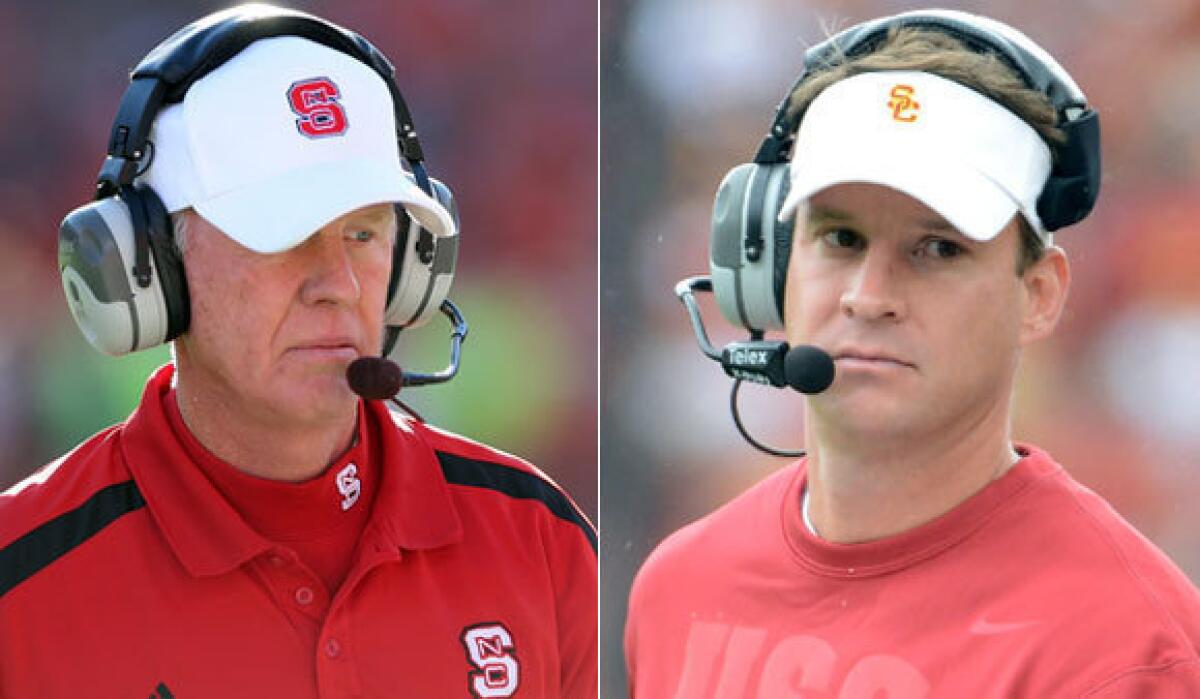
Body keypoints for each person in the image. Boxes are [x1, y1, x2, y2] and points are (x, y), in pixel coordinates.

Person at [0, 5, 596, 698]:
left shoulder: (541, 540)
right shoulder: (19, 585)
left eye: (365, 234)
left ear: (415, 266)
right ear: (150, 265)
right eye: (281, 237)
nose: (338, 286)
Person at [625, 9, 1200, 697]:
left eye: (938, 248)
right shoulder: (678, 586)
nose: (870, 296)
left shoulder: (1130, 652)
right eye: (841, 239)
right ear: (769, 269)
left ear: (1040, 294)